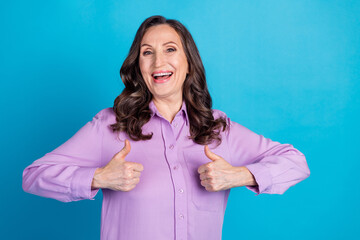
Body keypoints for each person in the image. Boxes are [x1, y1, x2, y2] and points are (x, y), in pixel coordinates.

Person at [22, 15, 310, 240]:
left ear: (188, 64)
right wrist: (98, 177)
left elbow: (296, 162)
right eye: (147, 53)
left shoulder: (218, 128)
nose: (159, 61)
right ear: (139, 67)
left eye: (170, 49)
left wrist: (240, 175)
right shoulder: (111, 125)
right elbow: (34, 176)